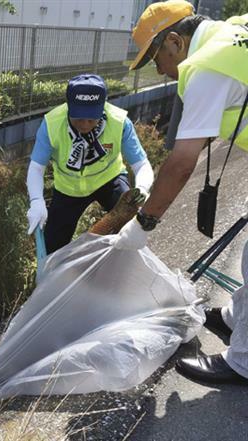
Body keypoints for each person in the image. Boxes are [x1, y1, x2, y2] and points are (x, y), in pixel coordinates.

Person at [118, 0, 248, 384]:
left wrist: (144, 224)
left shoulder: (208, 66)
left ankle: (243, 362)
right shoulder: (233, 31)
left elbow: (181, 161)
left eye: (156, 58)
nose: (160, 70)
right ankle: (233, 318)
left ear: (175, 40)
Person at [26, 74, 154, 253]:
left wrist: (142, 187)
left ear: (103, 108)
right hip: (68, 188)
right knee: (52, 246)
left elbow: (141, 164)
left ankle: (119, 270)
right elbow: (36, 168)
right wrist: (36, 200)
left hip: (109, 180)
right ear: (68, 107)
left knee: (129, 221)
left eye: (92, 119)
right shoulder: (52, 124)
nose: (85, 125)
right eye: (78, 118)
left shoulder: (119, 122)